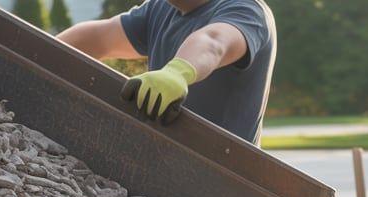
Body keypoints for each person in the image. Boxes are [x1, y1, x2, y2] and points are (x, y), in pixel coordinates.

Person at [58, 0, 275, 145]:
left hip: (222, 184)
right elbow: (97, 39)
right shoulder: (160, 9)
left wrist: (178, 72)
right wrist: (30, 52)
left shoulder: (246, 10)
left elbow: (214, 42)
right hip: (160, 170)